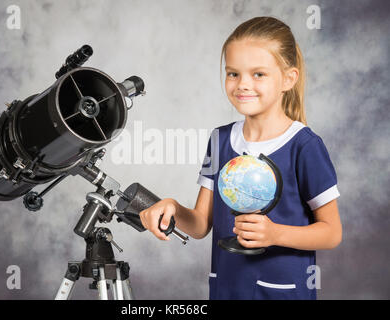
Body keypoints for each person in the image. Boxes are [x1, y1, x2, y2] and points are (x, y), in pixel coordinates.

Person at [138, 16, 342, 300]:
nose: (242, 84)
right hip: (227, 290)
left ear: (288, 79)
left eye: (258, 74)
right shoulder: (219, 140)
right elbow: (200, 225)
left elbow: (331, 232)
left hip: (281, 294)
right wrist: (172, 206)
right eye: (233, 73)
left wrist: (276, 234)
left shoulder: (305, 145)